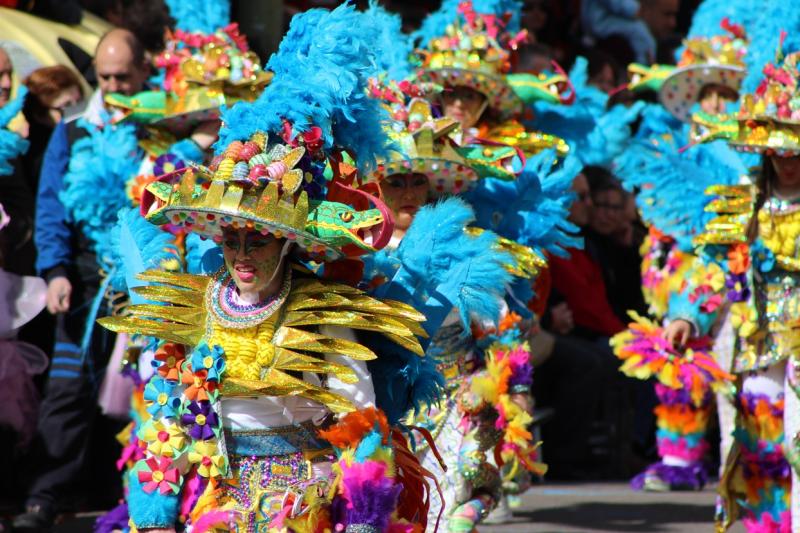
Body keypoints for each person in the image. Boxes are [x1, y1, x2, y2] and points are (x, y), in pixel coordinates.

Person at [97, 6, 434, 531]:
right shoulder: (197, 307)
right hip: (226, 502)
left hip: (306, 503)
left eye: (258, 240)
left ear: (286, 245)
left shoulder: (320, 311)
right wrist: (158, 510)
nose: (242, 255)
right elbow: (171, 424)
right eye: (232, 240)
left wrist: (364, 514)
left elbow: (359, 418)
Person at [662, 48, 800, 531]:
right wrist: (687, 316)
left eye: (796, 148)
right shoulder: (744, 203)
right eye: (777, 149)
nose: (785, 160)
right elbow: (714, 269)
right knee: (762, 440)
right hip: (760, 338)